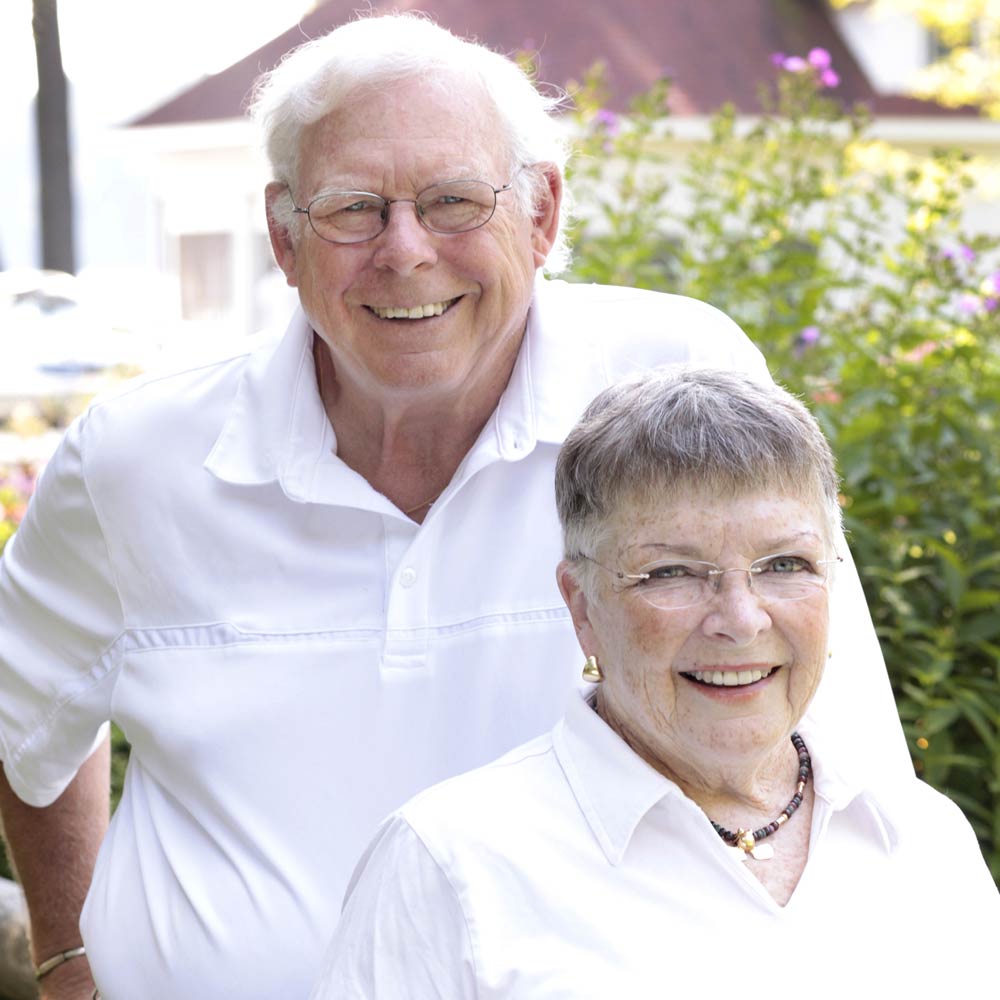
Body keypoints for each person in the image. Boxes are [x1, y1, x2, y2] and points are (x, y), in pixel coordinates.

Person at [0, 14, 909, 1000]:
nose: (404, 252)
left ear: (543, 212)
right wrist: (65, 961)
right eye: (353, 207)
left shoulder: (673, 382)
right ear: (282, 233)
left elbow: (842, 753)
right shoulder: (138, 458)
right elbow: (28, 718)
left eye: (452, 201)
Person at [313, 367, 1000, 999]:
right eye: (672, 573)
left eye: (784, 564)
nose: (740, 619)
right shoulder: (452, 865)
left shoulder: (921, 836)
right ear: (581, 606)